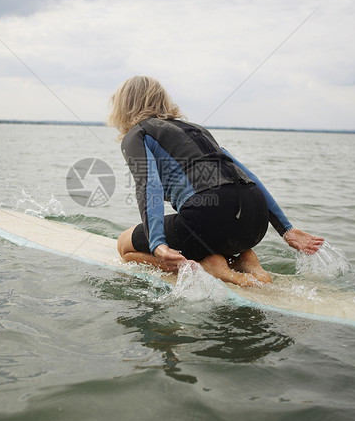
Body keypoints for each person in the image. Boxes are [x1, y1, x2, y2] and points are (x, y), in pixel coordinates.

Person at [108, 75, 324, 287]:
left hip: (209, 220)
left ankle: (207, 265)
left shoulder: (138, 133)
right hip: (255, 224)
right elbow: (249, 177)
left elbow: (149, 185)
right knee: (206, 228)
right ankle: (244, 259)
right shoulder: (197, 130)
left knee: (124, 246)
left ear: (124, 107)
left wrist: (158, 244)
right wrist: (286, 229)